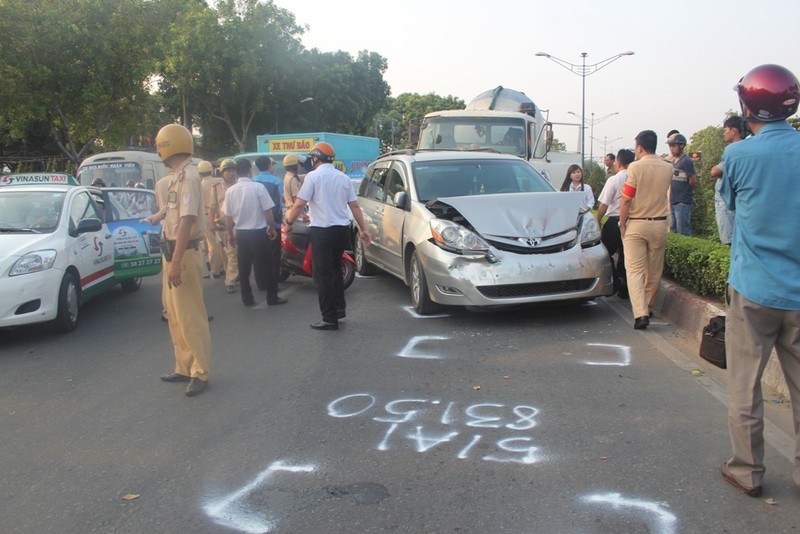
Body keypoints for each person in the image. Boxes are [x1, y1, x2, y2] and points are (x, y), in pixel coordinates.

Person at [718, 64, 800, 498]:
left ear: (748, 105)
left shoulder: (738, 155)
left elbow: (730, 203)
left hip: (754, 290)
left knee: (745, 386)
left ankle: (747, 470)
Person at [144, 124, 211, 397]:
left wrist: (175, 261)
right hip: (171, 252)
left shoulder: (190, 177)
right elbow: (171, 209)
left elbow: (187, 221)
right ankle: (184, 366)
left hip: (182, 253)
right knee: (174, 315)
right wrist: (157, 217)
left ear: (166, 146)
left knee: (190, 316)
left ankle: (200, 371)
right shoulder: (175, 177)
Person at [282, 141, 371, 330]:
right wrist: (364, 230)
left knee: (322, 275)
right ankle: (339, 309)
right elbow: (354, 206)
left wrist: (289, 223)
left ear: (315, 158)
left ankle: (329, 318)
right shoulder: (343, 178)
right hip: (341, 231)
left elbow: (299, 204)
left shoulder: (313, 177)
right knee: (335, 270)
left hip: (322, 232)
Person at [619, 130, 673, 330]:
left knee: (634, 271)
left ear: (639, 147)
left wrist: (622, 224)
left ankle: (640, 313)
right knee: (654, 270)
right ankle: (649, 306)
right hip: (659, 224)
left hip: (637, 224)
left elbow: (626, 199)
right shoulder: (668, 168)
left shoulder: (635, 167)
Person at [221, 158, 282, 307]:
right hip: (258, 233)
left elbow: (228, 217)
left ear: (236, 172)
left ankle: (247, 299)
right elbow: (268, 211)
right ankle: (272, 297)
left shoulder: (230, 191)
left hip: (241, 233)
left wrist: (230, 234)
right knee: (266, 266)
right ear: (250, 170)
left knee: (244, 268)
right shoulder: (258, 188)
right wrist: (272, 228)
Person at [596, 148, 635, 298]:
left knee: (604, 252)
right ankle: (624, 288)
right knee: (626, 256)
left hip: (615, 221)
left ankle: (616, 281)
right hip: (632, 221)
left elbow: (604, 204)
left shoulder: (614, 180)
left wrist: (598, 220)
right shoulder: (636, 178)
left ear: (618, 162)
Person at [252, 156, 285, 305]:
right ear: (269, 166)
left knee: (258, 257)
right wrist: (276, 223)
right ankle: (273, 286)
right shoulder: (277, 181)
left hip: (257, 226)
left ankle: (261, 283)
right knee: (273, 257)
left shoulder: (252, 182)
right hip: (273, 225)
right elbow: (277, 205)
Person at [710, 116, 747, 245]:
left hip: (727, 203)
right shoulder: (748, 146)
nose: (724, 133)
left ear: (734, 130)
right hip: (738, 201)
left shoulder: (734, 150)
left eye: (726, 129)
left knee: (729, 241)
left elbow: (715, 171)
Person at [198, 160, 226, 278]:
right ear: (211, 170)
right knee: (223, 242)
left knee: (212, 244)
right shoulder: (219, 182)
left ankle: (215, 269)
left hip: (206, 216)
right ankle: (225, 267)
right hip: (220, 215)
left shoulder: (199, 185)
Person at [666, 133, 697, 236]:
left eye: (673, 146)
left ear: (681, 146)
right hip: (674, 200)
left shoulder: (686, 161)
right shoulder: (674, 161)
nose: (671, 149)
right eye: (670, 146)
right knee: (673, 230)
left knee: (683, 231)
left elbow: (692, 180)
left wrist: (685, 190)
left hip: (682, 201)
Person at [218, 159, 240, 293]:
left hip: (238, 225)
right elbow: (212, 206)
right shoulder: (216, 188)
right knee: (229, 254)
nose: (231, 174)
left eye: (233, 171)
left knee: (235, 254)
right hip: (222, 225)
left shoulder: (240, 186)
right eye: (228, 171)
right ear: (222, 173)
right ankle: (231, 278)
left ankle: (233, 279)